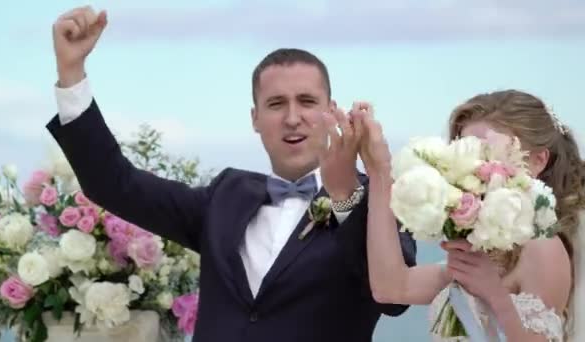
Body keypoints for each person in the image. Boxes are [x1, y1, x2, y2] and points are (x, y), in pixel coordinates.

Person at [45, 6, 416, 342]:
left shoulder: (380, 201)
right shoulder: (225, 196)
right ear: (255, 118)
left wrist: (346, 197)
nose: (291, 117)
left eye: (306, 101)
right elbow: (115, 183)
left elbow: (394, 299)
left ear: (331, 111)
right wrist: (72, 74)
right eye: (275, 104)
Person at [359, 90, 584, 341]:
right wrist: (379, 171)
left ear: (538, 161)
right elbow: (391, 287)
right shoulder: (487, 248)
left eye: (486, 155)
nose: (475, 169)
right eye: (466, 155)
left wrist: (494, 293)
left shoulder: (544, 247)